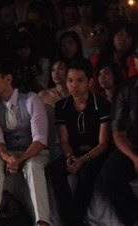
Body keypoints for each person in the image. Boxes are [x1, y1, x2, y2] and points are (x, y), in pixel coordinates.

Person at [0, 62, 50, 226]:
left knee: (33, 166)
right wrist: (8, 158)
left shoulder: (31, 99)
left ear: (8, 78)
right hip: (10, 153)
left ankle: (42, 222)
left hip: (35, 153)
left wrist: (21, 159)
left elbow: (40, 139)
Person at [48, 59, 110, 226]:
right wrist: (70, 157)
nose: (73, 85)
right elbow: (64, 140)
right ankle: (72, 220)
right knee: (55, 170)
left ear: (90, 82)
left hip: (96, 153)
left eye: (79, 80)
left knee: (86, 173)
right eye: (70, 80)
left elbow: (103, 143)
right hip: (73, 151)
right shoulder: (61, 106)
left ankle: (74, 221)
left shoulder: (102, 104)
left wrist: (82, 160)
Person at [95, 59, 138, 226]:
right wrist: (135, 158)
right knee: (109, 176)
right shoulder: (126, 89)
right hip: (131, 147)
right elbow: (118, 133)